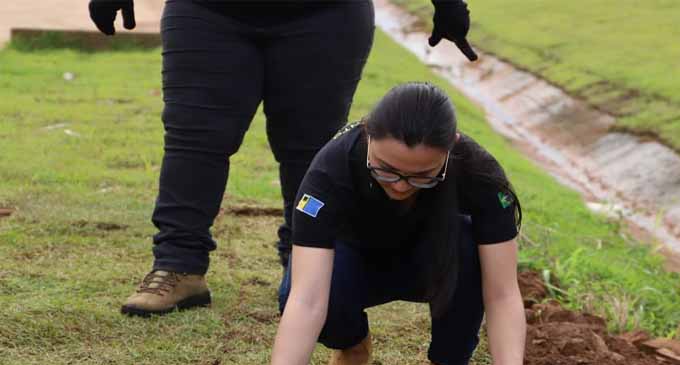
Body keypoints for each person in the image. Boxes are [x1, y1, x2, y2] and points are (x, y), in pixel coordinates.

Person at [87, 0, 479, 316]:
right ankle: (178, 265)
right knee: (195, 139)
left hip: (325, 16)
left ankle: (303, 264)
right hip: (207, 13)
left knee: (309, 148)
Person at [232, 82, 537, 365]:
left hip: (437, 266)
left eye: (423, 176)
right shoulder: (330, 171)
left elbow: (502, 291)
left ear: (452, 145)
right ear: (367, 133)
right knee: (296, 289)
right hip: (357, 264)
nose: (401, 186)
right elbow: (307, 298)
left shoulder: (481, 176)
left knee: (471, 247)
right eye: (387, 171)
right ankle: (351, 348)